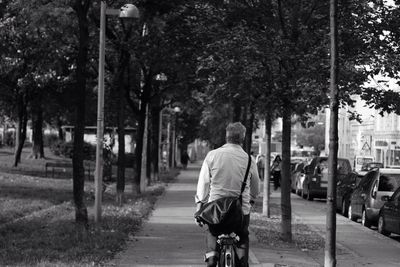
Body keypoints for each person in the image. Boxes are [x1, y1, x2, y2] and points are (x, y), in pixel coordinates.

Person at [195, 122, 260, 267]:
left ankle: (212, 260)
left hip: (215, 212)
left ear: (226, 137)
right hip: (240, 212)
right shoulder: (249, 159)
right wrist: (251, 200)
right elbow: (256, 188)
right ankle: (242, 262)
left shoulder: (212, 155)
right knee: (242, 236)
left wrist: (199, 205)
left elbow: (204, 184)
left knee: (212, 233)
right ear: (242, 138)